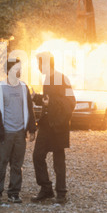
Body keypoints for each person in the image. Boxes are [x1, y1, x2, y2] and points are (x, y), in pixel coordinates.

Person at [0, 59, 37, 203]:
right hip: (5, 133)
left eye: (20, 68)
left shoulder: (23, 88)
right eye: (16, 68)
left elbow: (30, 109)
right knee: (1, 163)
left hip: (20, 133)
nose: (19, 71)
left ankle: (14, 193)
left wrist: (31, 129)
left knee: (17, 164)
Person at [31, 52, 76, 204]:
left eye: (39, 64)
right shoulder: (47, 79)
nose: (38, 67)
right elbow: (47, 102)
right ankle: (46, 189)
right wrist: (35, 97)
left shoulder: (63, 79)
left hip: (59, 126)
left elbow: (71, 101)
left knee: (59, 160)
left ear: (46, 64)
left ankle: (61, 193)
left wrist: (51, 103)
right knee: (37, 156)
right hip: (46, 125)